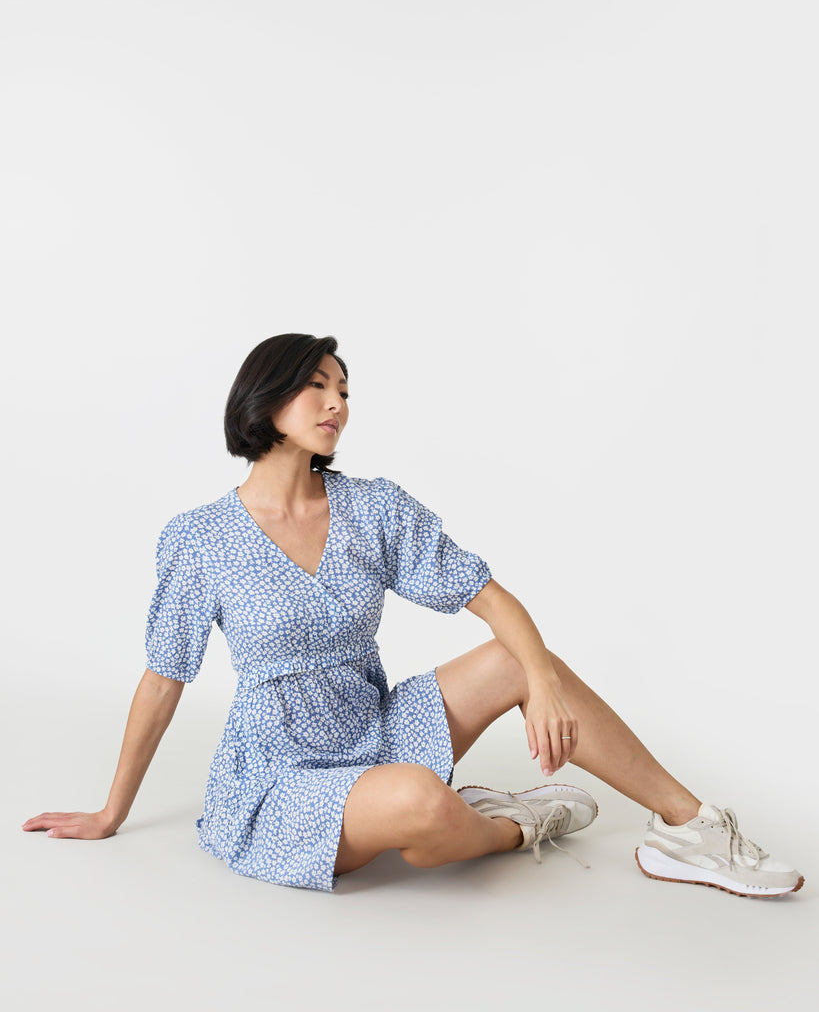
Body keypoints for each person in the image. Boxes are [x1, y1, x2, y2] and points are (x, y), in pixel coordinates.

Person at [23, 334, 804, 898]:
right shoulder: (198, 539)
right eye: (317, 387)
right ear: (263, 402)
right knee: (418, 804)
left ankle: (687, 827)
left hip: (379, 726)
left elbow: (488, 595)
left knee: (511, 659)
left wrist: (543, 683)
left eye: (345, 391)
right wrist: (110, 810)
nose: (337, 404)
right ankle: (515, 826)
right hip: (283, 773)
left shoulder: (371, 508)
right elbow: (164, 679)